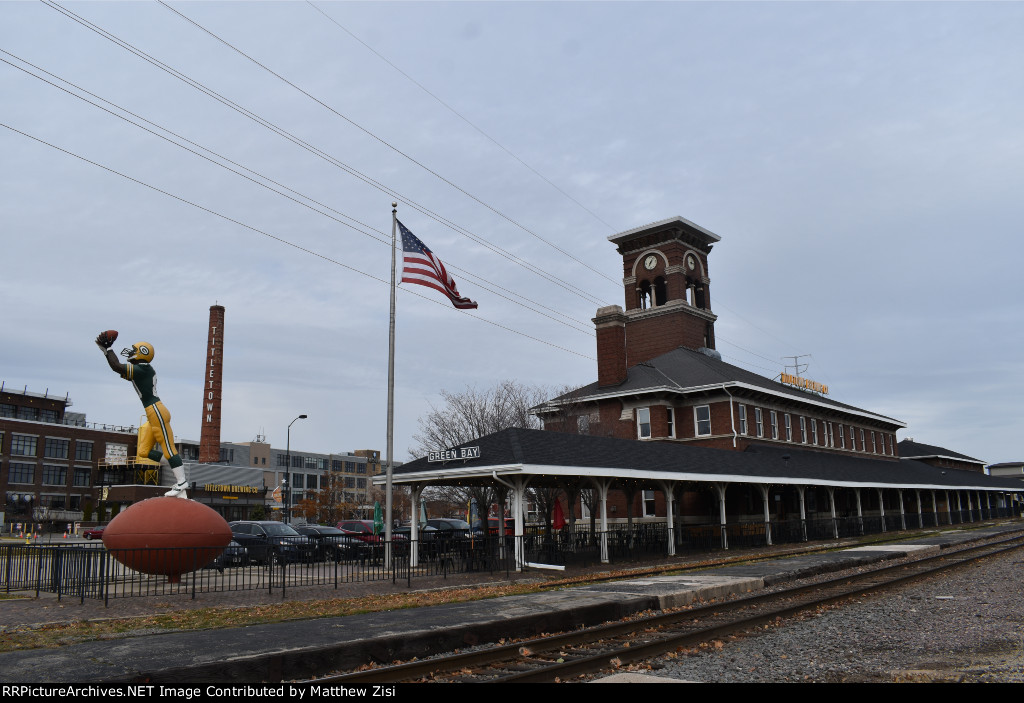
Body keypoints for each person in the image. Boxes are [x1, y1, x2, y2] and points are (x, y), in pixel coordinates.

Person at [95, 333, 188, 498]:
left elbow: (117, 366)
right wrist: (105, 352)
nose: (130, 353)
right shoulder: (141, 370)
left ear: (142, 353)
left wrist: (108, 348)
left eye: (134, 350)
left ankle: (181, 482)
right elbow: (116, 367)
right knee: (144, 451)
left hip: (156, 410)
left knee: (169, 448)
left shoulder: (143, 369)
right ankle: (175, 465)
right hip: (151, 412)